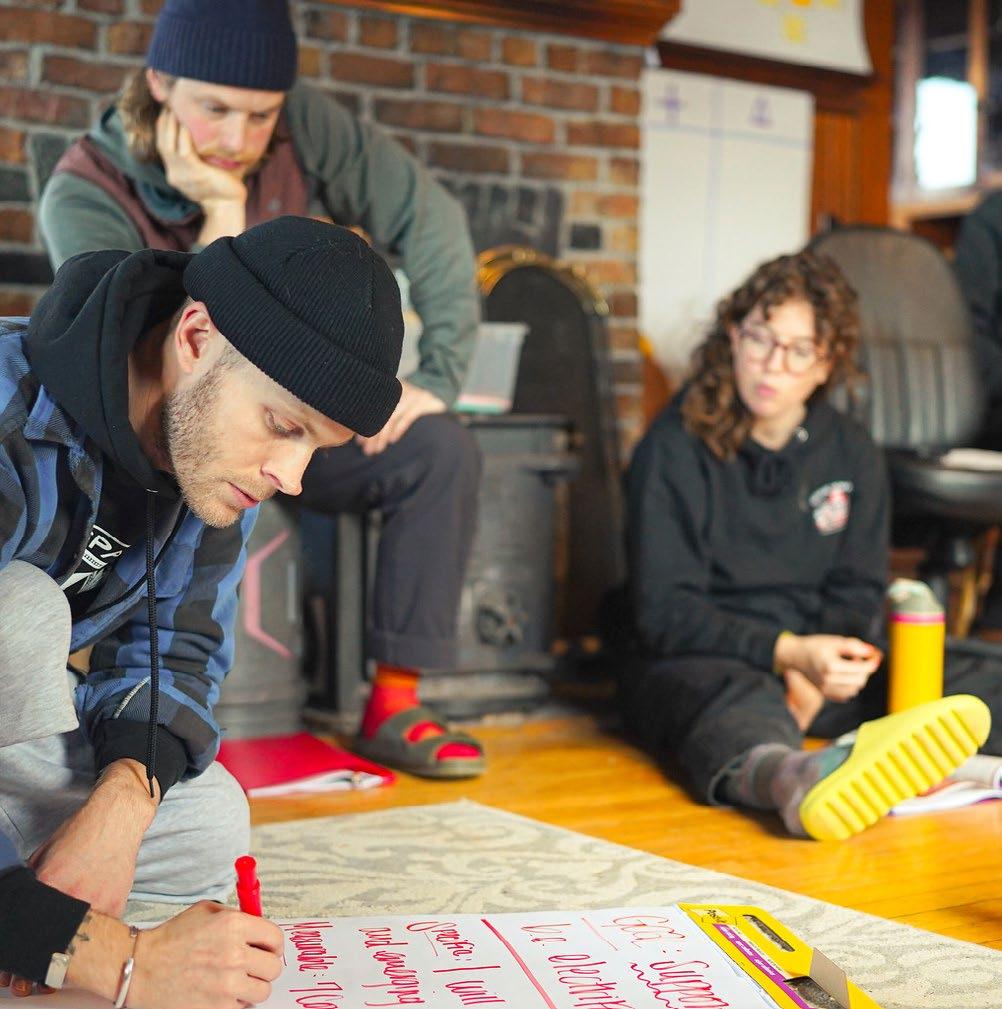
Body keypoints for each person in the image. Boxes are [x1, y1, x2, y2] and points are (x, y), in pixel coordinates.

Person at [37, 0, 485, 779]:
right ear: (160, 84)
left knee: (439, 450)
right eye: (214, 109)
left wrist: (437, 376)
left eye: (260, 115)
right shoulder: (83, 189)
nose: (238, 140)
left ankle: (394, 700)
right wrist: (223, 210)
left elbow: (434, 219)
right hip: (166, 438)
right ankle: (131, 711)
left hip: (291, 426)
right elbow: (194, 347)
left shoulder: (306, 127)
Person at [0, 215, 403, 1002]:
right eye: (283, 425)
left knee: (210, 813)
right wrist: (117, 959)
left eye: (315, 448)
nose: (291, 476)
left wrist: (119, 805)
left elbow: (176, 651)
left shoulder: (209, 456)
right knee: (25, 611)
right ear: (195, 337)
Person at [621, 251, 999, 841]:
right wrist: (788, 655)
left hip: (819, 663)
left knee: (972, 671)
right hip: (715, 656)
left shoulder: (851, 451)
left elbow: (858, 586)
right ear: (733, 336)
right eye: (760, 339)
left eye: (800, 350)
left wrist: (821, 669)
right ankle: (793, 777)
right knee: (724, 699)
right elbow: (664, 612)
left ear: (826, 364)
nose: (773, 365)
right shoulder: (671, 448)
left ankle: (852, 747)